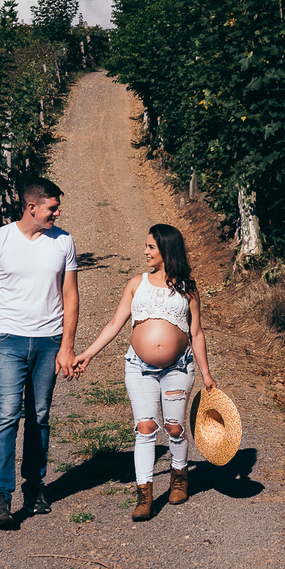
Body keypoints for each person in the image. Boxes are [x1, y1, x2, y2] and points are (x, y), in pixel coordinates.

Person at [73, 223, 215, 521]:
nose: (146, 251)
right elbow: (115, 324)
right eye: (146, 246)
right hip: (139, 368)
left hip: (178, 367)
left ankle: (179, 475)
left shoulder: (188, 288)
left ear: (167, 249)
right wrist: (87, 354)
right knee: (145, 428)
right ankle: (144, 494)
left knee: (175, 427)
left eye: (151, 246)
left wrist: (206, 373)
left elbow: (197, 332)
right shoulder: (136, 284)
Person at [0, 177, 79, 529]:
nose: (57, 212)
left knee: (39, 415)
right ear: (31, 207)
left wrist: (67, 346)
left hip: (49, 341)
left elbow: (71, 296)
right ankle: (0, 498)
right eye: (52, 207)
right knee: (5, 416)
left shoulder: (63, 241)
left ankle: (34, 488)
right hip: (8, 341)